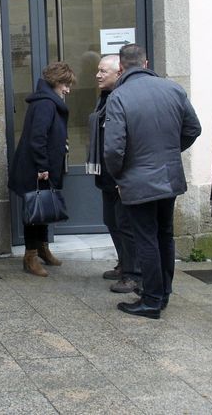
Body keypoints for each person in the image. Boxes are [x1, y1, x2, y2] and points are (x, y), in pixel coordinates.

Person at [104, 44, 201, 319]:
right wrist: (169, 152)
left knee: (145, 238)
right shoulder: (173, 89)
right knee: (164, 235)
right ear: (146, 63)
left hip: (137, 180)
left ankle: (151, 299)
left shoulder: (119, 96)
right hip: (168, 177)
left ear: (121, 67)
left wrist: (120, 175)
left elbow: (113, 148)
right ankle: (163, 292)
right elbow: (194, 129)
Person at [7, 61, 75, 277]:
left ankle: (43, 249)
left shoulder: (47, 101)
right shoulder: (46, 103)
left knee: (43, 210)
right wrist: (43, 166)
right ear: (56, 82)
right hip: (37, 168)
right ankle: (30, 257)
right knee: (34, 212)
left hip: (42, 166)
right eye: (65, 84)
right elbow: (38, 137)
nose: (68, 89)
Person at [87, 54, 141, 294]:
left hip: (122, 176)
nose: (97, 75)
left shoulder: (124, 98)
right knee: (112, 221)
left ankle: (133, 274)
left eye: (102, 71)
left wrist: (122, 175)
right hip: (107, 175)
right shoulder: (105, 97)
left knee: (126, 225)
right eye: (97, 71)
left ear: (119, 73)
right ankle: (123, 264)